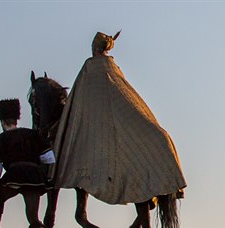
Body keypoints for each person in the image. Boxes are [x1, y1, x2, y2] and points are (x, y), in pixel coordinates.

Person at [51, 31, 186, 207]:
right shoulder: (115, 70)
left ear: (95, 49)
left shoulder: (90, 68)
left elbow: (79, 101)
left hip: (98, 128)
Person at [0, 98, 55, 228]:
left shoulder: (2, 139)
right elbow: (49, 158)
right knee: (32, 215)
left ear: (2, 121)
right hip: (34, 179)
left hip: (14, 177)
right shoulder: (34, 135)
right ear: (16, 119)